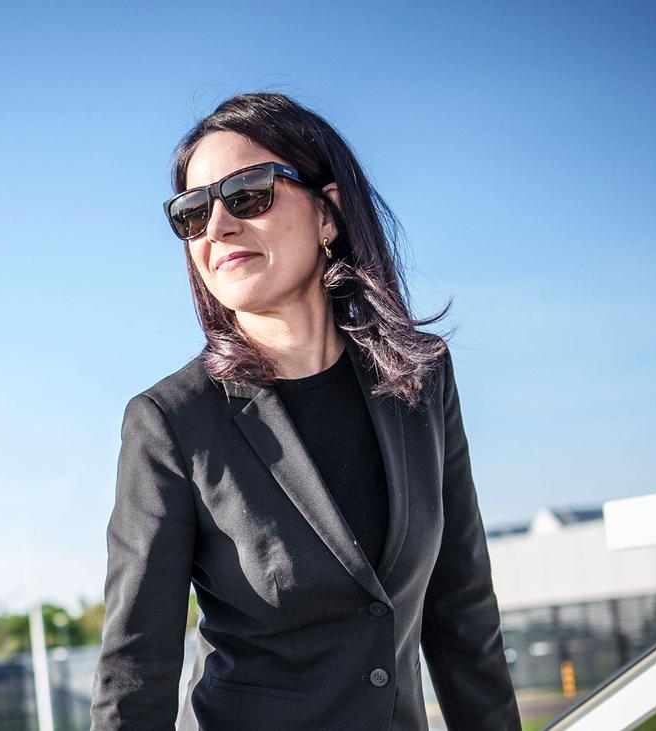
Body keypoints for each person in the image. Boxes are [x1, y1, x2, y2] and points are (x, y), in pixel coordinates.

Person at [90, 92, 521, 730]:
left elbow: (464, 612)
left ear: (327, 212)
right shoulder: (172, 422)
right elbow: (135, 672)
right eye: (193, 213)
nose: (217, 227)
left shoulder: (421, 380)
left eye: (248, 194)